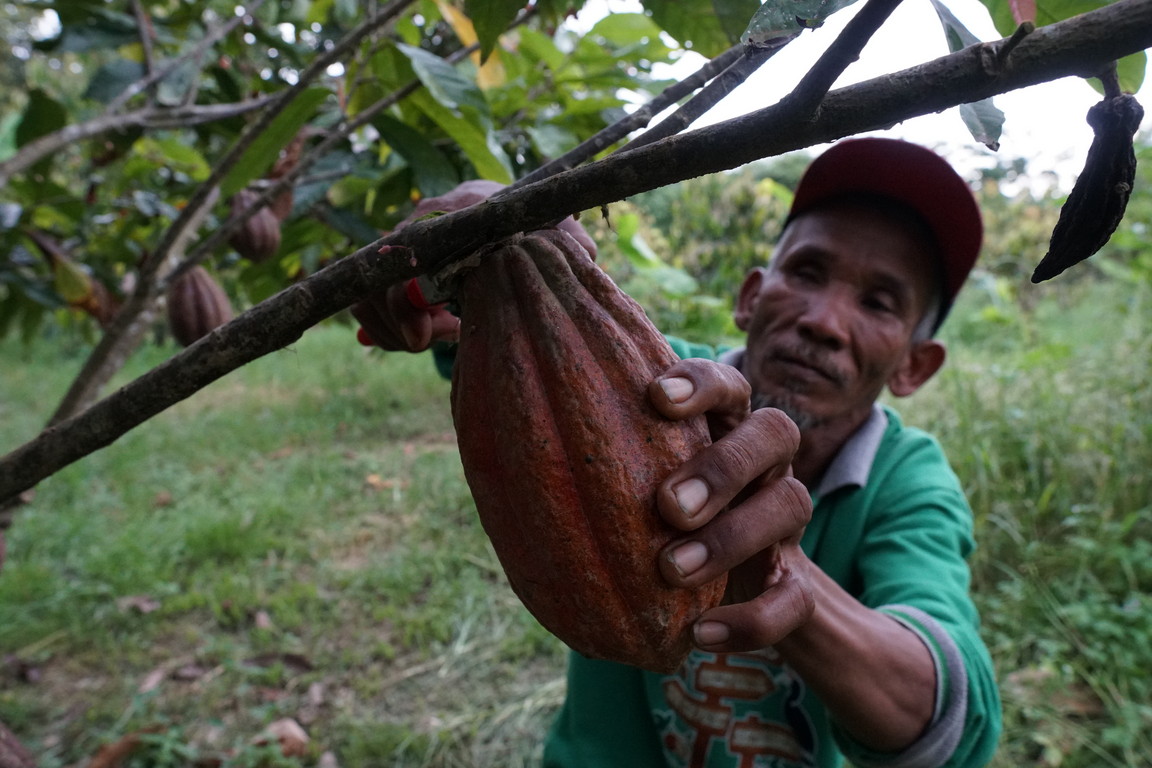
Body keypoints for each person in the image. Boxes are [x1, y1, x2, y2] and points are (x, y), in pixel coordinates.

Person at [352, 137, 1002, 768]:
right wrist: (475, 239)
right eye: (807, 271)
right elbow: (497, 340)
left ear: (915, 365)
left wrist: (788, 580)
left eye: (878, 302)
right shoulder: (656, 386)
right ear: (751, 298)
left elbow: (954, 720)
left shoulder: (909, 481)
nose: (824, 321)